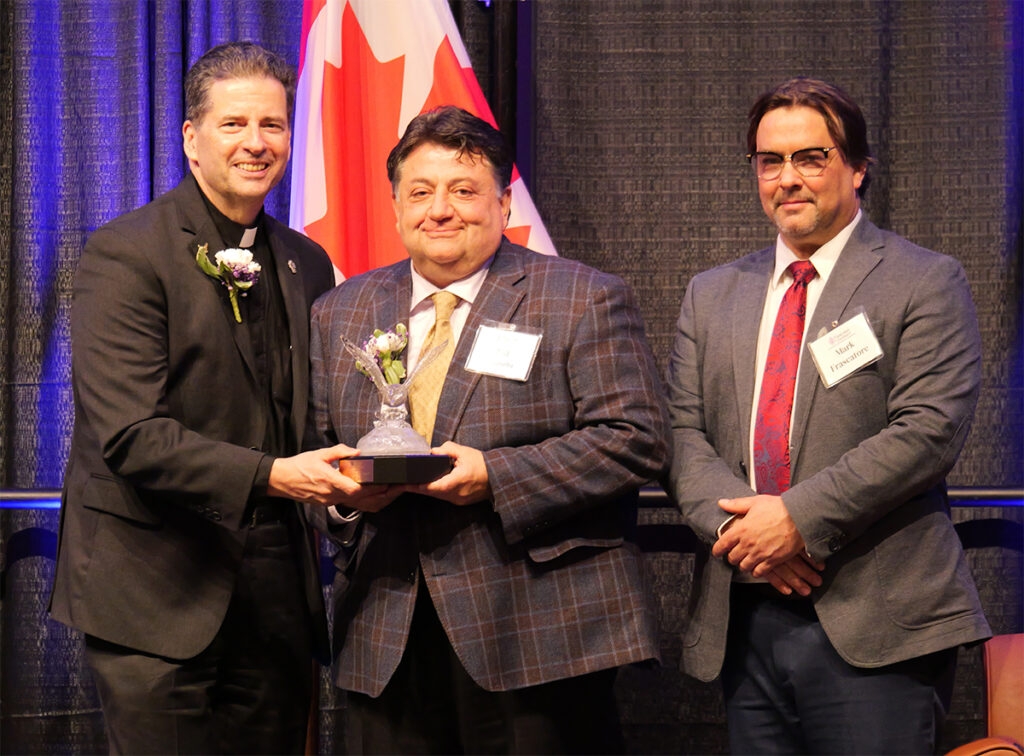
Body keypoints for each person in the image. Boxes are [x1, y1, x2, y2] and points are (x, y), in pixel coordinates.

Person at [309, 105, 670, 754]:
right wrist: (340, 505)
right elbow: (313, 454)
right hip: (383, 632)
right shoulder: (341, 311)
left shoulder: (581, 297)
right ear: (394, 207)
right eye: (420, 192)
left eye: (464, 190)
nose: (440, 209)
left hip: (536, 630)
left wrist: (494, 478)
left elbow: (635, 438)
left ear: (503, 205)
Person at [49, 42, 359, 754]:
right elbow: (129, 435)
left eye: (274, 125)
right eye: (234, 124)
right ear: (192, 138)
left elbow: (309, 418)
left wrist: (344, 488)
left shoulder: (305, 260)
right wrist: (277, 477)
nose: (257, 143)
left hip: (277, 599)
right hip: (155, 596)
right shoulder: (126, 252)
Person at [666, 76, 991, 754]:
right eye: (770, 161)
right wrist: (745, 531)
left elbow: (928, 432)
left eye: (811, 157)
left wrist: (795, 520)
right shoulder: (712, 293)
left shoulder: (924, 279)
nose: (788, 178)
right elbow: (683, 436)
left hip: (877, 619)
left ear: (857, 166)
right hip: (747, 613)